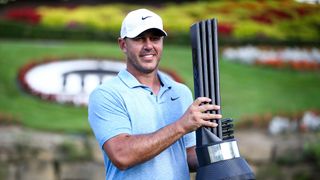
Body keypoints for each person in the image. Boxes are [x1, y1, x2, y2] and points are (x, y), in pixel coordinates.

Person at [88, 8, 222, 180]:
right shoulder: (107, 94)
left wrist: (220, 152)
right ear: (123, 44)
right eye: (139, 39)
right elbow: (122, 155)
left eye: (155, 38)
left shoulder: (180, 92)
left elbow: (185, 156)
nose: (149, 46)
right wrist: (181, 126)